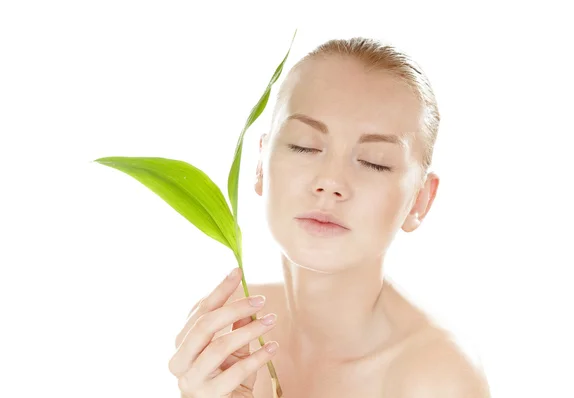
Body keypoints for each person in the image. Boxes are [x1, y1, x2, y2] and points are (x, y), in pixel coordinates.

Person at [169, 36, 491, 398]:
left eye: (374, 162)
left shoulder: (437, 378)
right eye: (304, 145)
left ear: (419, 201)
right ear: (260, 165)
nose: (330, 183)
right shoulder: (229, 335)